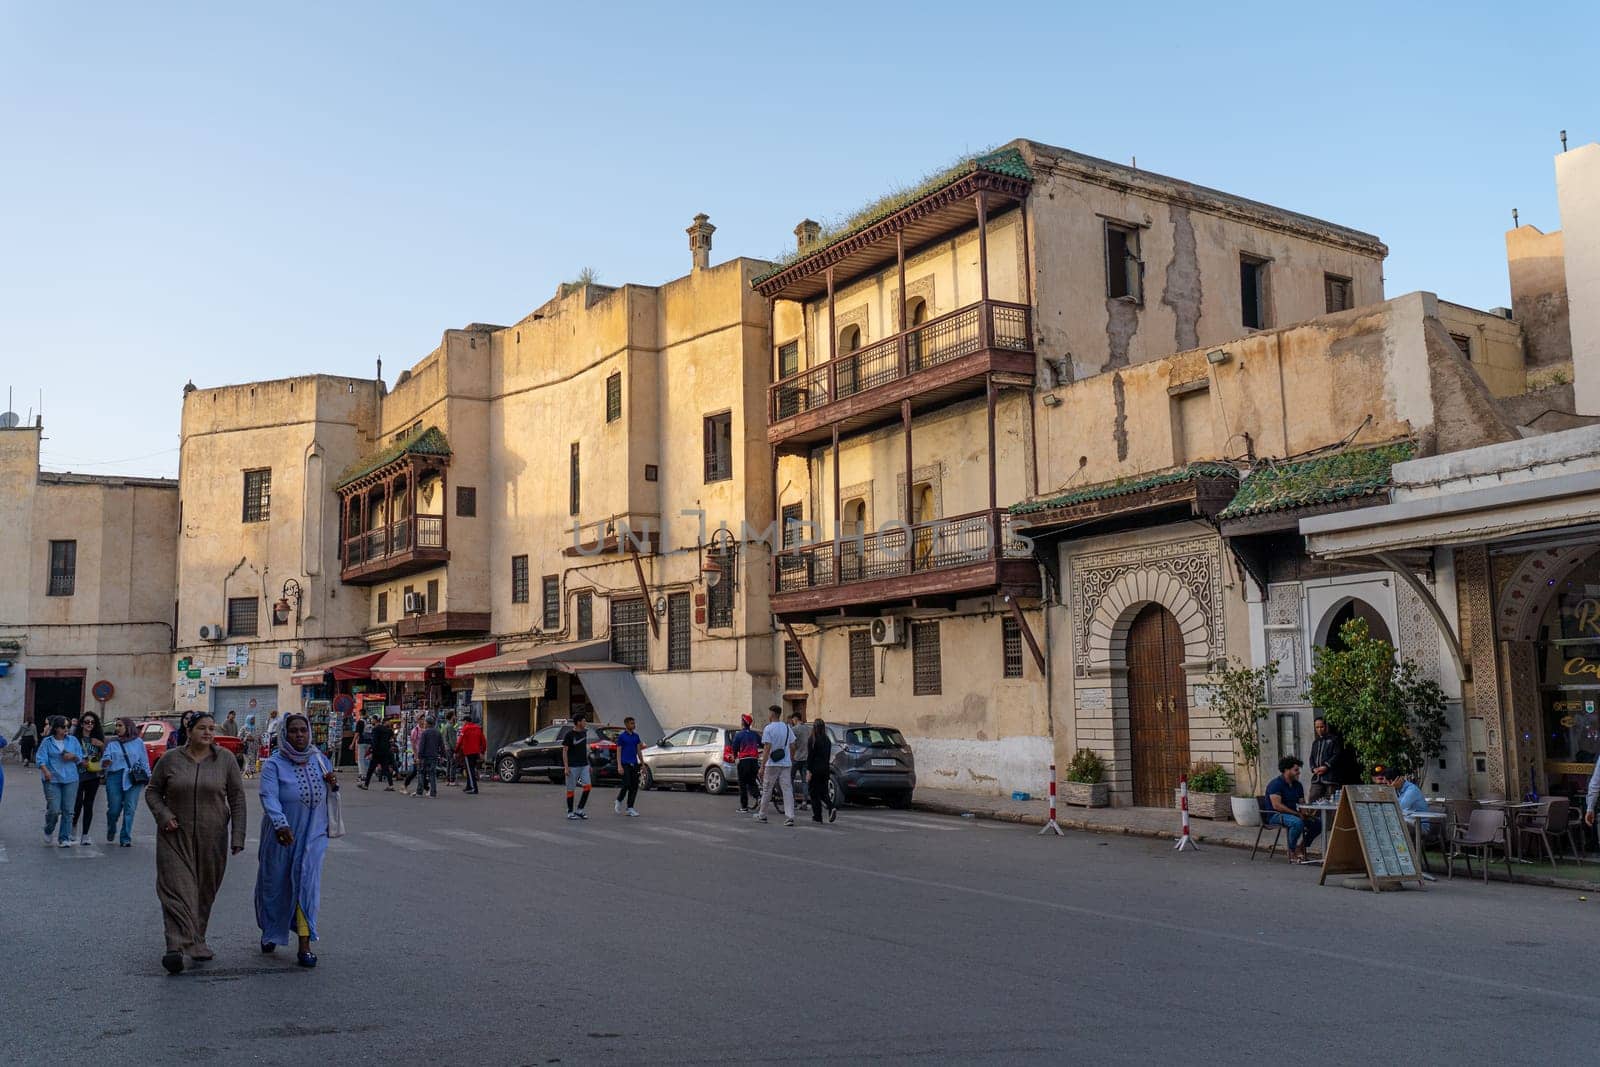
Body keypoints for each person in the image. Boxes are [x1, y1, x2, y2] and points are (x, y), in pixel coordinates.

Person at [145, 710, 246, 974]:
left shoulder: (225, 760)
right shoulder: (169, 760)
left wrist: (238, 836)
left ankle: (197, 939)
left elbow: (237, 798)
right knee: (177, 891)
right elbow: (153, 791)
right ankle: (175, 946)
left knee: (203, 891)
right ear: (188, 731)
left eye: (212, 728)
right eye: (202, 728)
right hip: (174, 836)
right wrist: (163, 815)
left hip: (212, 836)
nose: (209, 733)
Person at [255, 712, 336, 968]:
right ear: (284, 734)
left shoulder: (320, 760)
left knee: (306, 887)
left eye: (303, 730)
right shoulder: (273, 765)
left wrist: (333, 785)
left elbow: (328, 796)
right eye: (293, 731)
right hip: (282, 837)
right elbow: (269, 797)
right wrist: (280, 824)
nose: (299, 735)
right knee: (275, 887)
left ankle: (305, 944)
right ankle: (271, 931)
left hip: (312, 837)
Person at [102, 717, 152, 847]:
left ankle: (125, 837)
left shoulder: (138, 742)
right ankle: (111, 827)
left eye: (120, 725)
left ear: (128, 727)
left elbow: (144, 760)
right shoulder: (112, 742)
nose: (117, 728)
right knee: (114, 809)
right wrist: (106, 761)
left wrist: (149, 778)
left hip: (133, 777)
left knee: (130, 808)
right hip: (115, 777)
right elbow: (106, 757)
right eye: (116, 726)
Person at [37, 716, 85, 848]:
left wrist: (73, 756)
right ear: (56, 728)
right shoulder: (47, 742)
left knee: (68, 810)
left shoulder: (73, 741)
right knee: (54, 809)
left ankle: (64, 837)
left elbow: (81, 758)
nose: (66, 729)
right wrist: (45, 771)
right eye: (63, 727)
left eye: (68, 727)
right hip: (52, 779)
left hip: (70, 778)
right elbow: (40, 759)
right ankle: (48, 828)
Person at [1264, 756, 1320, 864]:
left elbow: (1302, 802)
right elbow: (1277, 806)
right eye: (1296, 770)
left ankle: (1301, 847)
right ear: (1286, 770)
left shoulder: (1297, 785)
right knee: (1297, 822)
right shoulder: (1276, 784)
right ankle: (1291, 850)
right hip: (1276, 815)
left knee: (1318, 823)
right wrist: (1297, 814)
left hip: (1294, 814)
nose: (1298, 772)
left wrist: (1307, 812)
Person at [1374, 764, 1439, 847]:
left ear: (1394, 781)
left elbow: (1398, 807)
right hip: (1408, 822)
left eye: (1387, 783)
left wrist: (1391, 790)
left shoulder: (1412, 790)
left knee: (1398, 824)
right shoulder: (1397, 790)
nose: (1388, 786)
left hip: (1420, 826)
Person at [70, 712, 107, 846]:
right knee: (77, 803)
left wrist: (101, 745)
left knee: (89, 804)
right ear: (81, 724)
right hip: (78, 775)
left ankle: (85, 834)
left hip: (93, 775)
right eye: (87, 722)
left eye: (92, 722)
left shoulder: (97, 739)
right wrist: (79, 761)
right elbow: (70, 754)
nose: (89, 724)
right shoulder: (75, 739)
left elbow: (106, 756)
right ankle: (73, 827)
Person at [756, 706, 796, 827]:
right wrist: (791, 758)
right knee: (787, 789)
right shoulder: (787, 727)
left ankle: (762, 814)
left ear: (772, 714)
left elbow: (767, 748)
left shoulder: (768, 728)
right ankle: (790, 816)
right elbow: (793, 745)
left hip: (772, 763)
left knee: (767, 788)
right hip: (786, 763)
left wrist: (762, 766)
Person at [560, 713, 593, 820]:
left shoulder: (584, 733)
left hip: (584, 765)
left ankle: (580, 810)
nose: (585, 723)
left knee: (588, 786)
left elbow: (584, 750)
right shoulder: (569, 735)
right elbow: (565, 751)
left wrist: (589, 764)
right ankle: (570, 811)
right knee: (571, 789)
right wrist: (566, 767)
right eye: (584, 721)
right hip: (572, 766)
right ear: (578, 722)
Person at [1306, 717, 1344, 804]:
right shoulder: (1315, 742)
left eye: (1321, 727)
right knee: (1313, 798)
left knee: (1331, 800)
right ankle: (1312, 817)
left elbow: (1336, 755)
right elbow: (1311, 757)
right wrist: (1313, 768)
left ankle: (1330, 818)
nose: (1319, 729)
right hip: (1317, 777)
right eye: (1317, 727)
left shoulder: (1334, 740)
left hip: (1331, 777)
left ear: (1326, 726)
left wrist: (1326, 766)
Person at [806, 717, 836, 823]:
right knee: (823, 792)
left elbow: (810, 756)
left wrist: (808, 770)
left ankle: (817, 816)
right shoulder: (827, 740)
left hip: (815, 769)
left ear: (814, 727)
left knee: (814, 793)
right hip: (825, 769)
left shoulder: (812, 740)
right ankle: (831, 807)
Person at [731, 714, 762, 814]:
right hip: (754, 761)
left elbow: (734, 747)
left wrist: (735, 757)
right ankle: (758, 796)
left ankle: (744, 807)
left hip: (744, 761)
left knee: (743, 784)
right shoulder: (755, 734)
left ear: (743, 723)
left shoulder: (739, 734)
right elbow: (762, 744)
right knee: (752, 781)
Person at [613, 715, 643, 817]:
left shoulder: (636, 736)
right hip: (625, 763)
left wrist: (642, 763)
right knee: (626, 784)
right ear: (626, 724)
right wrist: (619, 766)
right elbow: (618, 751)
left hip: (634, 763)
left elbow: (639, 751)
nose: (634, 725)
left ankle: (630, 808)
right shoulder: (622, 737)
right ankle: (618, 800)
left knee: (634, 786)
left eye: (634, 723)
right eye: (632, 723)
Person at [412, 716, 444, 798]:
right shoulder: (438, 732)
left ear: (428, 723)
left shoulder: (425, 733)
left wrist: (419, 756)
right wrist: (442, 755)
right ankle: (433, 793)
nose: (424, 723)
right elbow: (442, 745)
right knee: (432, 774)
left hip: (425, 757)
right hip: (434, 756)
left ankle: (419, 792)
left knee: (421, 773)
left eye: (425, 722)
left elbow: (422, 746)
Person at [361, 718, 396, 791]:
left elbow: (375, 742)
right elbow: (390, 740)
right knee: (386, 768)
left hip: (377, 752)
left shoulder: (376, 729)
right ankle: (391, 785)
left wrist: (371, 751)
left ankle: (366, 785)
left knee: (371, 769)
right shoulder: (387, 730)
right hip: (385, 752)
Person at [788, 710, 812, 811]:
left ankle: (793, 802)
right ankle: (804, 802)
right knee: (804, 781)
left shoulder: (794, 729)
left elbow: (791, 744)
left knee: (790, 780)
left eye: (793, 719)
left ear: (795, 719)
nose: (792, 721)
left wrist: (791, 756)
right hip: (806, 757)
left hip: (796, 757)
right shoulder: (808, 729)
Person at [457, 715, 485, 794]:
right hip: (475, 753)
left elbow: (460, 741)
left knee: (470, 770)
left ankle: (474, 788)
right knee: (470, 769)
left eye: (463, 721)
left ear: (466, 721)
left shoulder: (465, 729)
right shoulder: (478, 728)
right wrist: (482, 751)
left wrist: (456, 751)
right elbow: (483, 741)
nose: (463, 723)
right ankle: (468, 786)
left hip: (468, 752)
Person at [440, 710, 459, 786]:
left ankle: (448, 779)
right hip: (450, 748)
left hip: (446, 747)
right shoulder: (450, 727)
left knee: (448, 764)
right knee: (453, 764)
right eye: (454, 715)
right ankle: (452, 780)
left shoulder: (445, 726)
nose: (455, 717)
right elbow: (452, 740)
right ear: (452, 716)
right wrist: (455, 749)